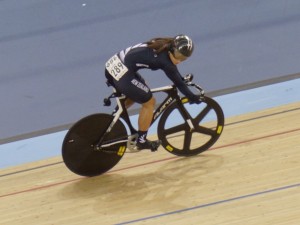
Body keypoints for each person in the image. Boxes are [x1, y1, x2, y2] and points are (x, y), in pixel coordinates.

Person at [105, 34, 200, 151]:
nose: (180, 60)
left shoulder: (163, 43)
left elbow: (177, 77)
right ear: (172, 48)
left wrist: (181, 80)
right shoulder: (164, 60)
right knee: (149, 101)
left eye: (184, 58)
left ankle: (115, 116)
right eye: (178, 55)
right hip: (123, 71)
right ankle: (141, 141)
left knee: (141, 90)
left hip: (115, 64)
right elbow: (179, 83)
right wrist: (193, 97)